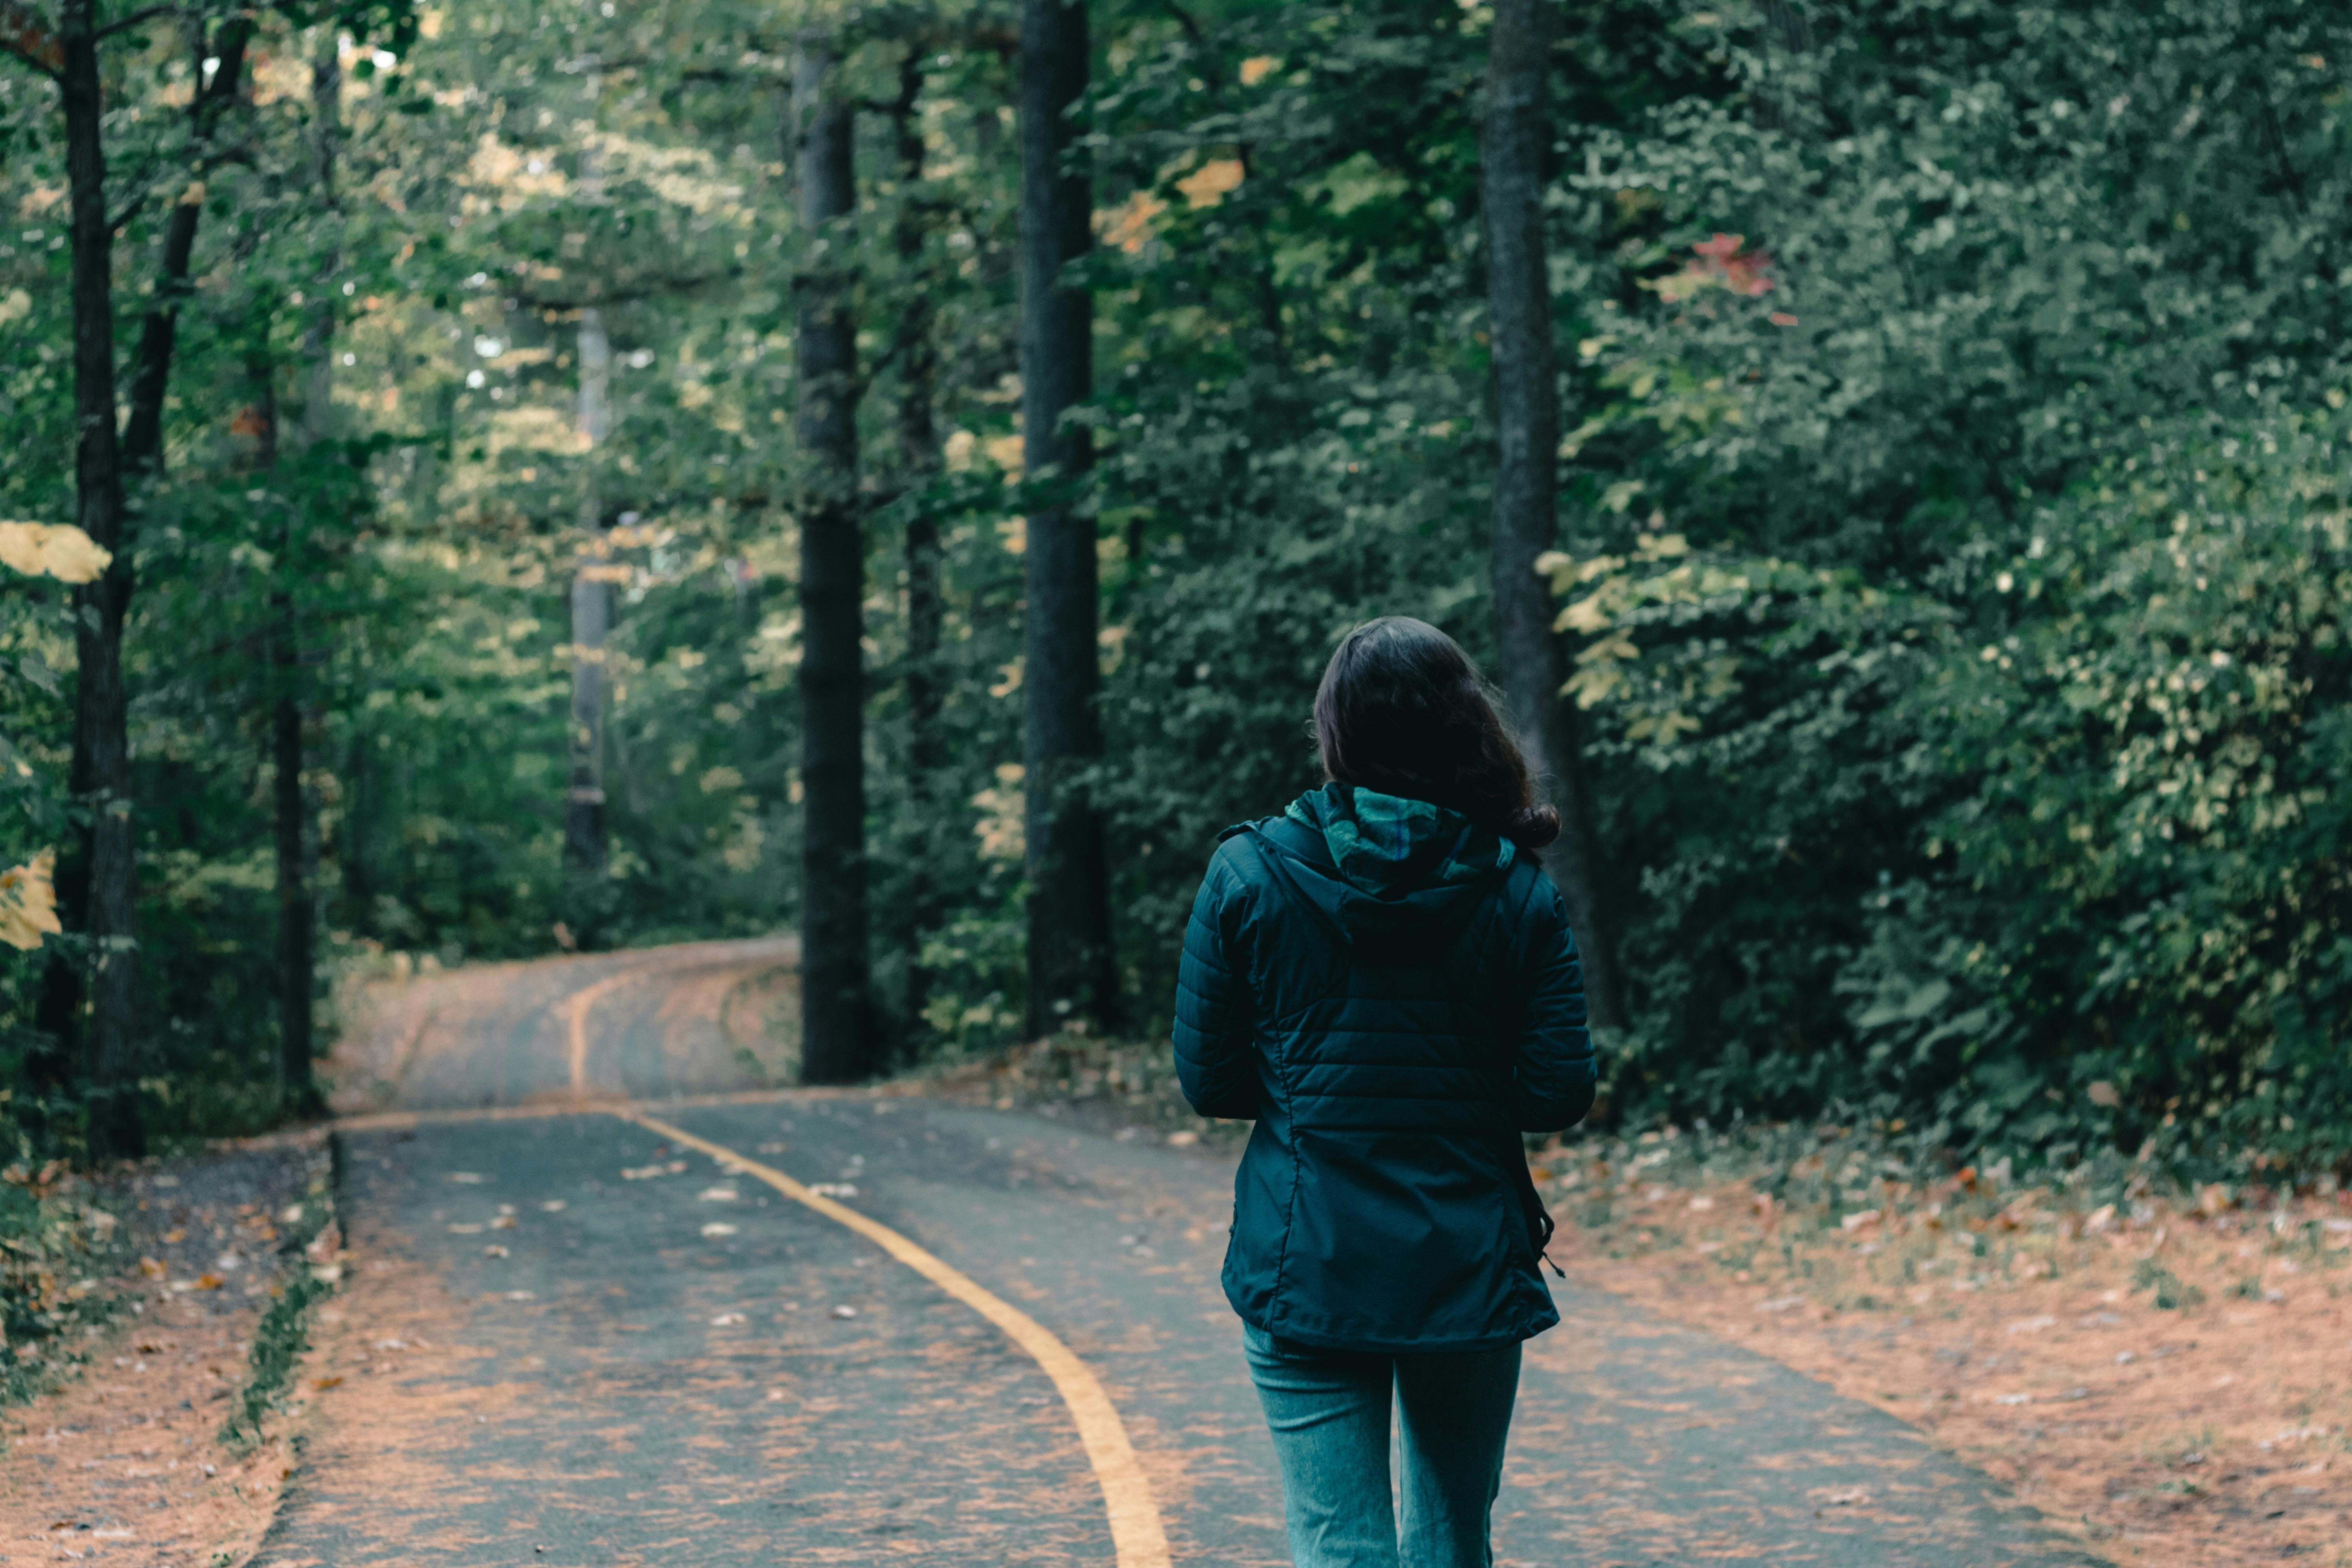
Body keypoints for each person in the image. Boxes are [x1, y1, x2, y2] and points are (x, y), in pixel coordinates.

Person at [1173, 615, 1597, 1568]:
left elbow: (1212, 1080)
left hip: (1306, 1253)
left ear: (1335, 729)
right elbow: (1557, 1088)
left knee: (1339, 1545)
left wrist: (1307, 1085)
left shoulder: (1248, 872)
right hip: (1465, 1259)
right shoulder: (1514, 887)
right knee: (1452, 1542)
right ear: (1463, 725)